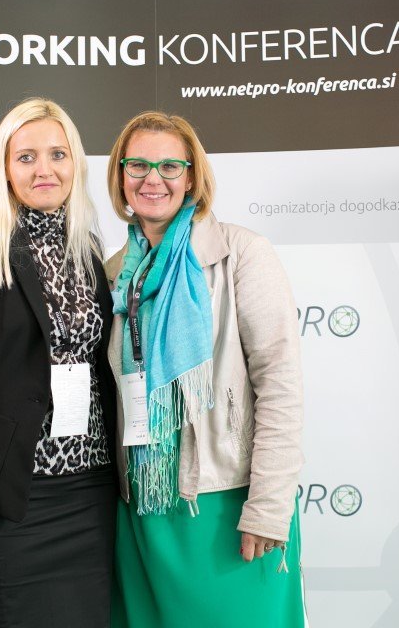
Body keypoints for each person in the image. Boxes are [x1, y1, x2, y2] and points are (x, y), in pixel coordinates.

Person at [105, 111, 305, 627]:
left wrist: (267, 507)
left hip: (226, 505)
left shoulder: (242, 254)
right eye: (138, 165)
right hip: (145, 506)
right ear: (120, 176)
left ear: (192, 177)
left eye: (170, 166)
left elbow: (280, 387)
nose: (153, 179)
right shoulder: (115, 272)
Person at [0, 98, 117, 627]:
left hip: (91, 493)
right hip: (11, 502)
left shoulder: (87, 249)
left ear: (75, 163)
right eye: (26, 157)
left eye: (58, 154)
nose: (44, 169)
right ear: (4, 168)